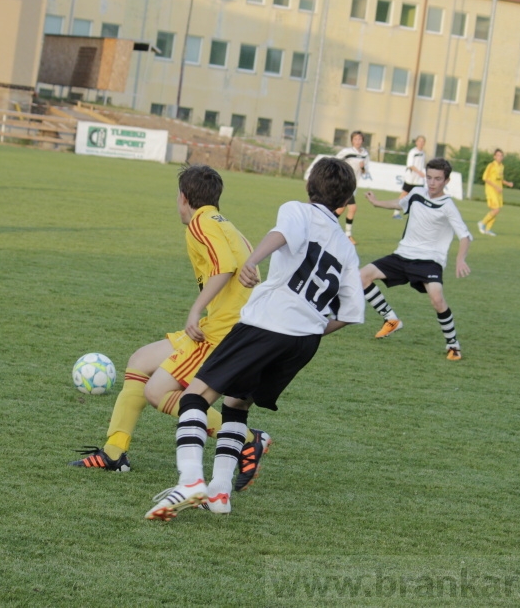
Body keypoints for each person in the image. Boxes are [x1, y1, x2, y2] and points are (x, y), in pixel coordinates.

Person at [145, 157, 364, 520]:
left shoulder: (298, 210)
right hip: (304, 342)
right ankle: (220, 492)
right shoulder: (346, 247)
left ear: (309, 185)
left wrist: (253, 261)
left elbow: (282, 234)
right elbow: (351, 312)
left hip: (267, 323)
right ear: (345, 201)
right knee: (237, 403)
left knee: (195, 396)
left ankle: (190, 480)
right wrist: (310, 327)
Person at [72, 164, 270, 493]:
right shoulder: (226, 224)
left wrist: (195, 310)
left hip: (221, 331)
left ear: (183, 198)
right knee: (140, 361)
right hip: (232, 323)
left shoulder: (199, 223)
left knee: (157, 392)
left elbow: (225, 267)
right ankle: (114, 453)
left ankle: (247, 439)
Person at [359, 158, 472, 361]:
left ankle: (453, 345)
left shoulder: (448, 205)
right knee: (362, 276)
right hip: (402, 255)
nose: (432, 183)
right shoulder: (417, 193)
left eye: (437, 179)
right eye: (429, 177)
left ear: (446, 181)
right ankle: (391, 319)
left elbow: (465, 236)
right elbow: (400, 203)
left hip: (429, 261)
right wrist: (377, 202)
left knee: (437, 299)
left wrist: (460, 259)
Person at [335, 131, 371, 244]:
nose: (357, 141)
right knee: (353, 208)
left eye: (359, 139)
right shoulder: (347, 152)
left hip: (354, 184)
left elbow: (365, 172)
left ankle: (325, 225)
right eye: (355, 139)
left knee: (341, 209)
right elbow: (335, 162)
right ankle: (348, 235)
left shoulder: (365, 154)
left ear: (363, 141)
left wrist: (363, 167)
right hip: (345, 183)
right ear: (352, 140)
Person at [478, 149, 513, 236]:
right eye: (498, 155)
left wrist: (508, 183)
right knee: (496, 209)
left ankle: (488, 229)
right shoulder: (491, 165)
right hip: (491, 190)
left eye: (501, 155)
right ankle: (482, 223)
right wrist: (496, 187)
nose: (500, 157)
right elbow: (485, 178)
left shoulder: (501, 166)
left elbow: (500, 179)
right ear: (494, 157)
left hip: (498, 191)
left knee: (496, 210)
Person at [394, 135, 427, 219]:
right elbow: (410, 165)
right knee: (404, 194)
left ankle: (417, 214)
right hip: (411, 178)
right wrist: (419, 172)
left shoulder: (423, 153)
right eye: (419, 141)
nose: (421, 143)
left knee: (420, 195)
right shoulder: (412, 152)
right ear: (416, 142)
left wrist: (422, 173)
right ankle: (396, 212)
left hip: (419, 179)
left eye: (423, 141)